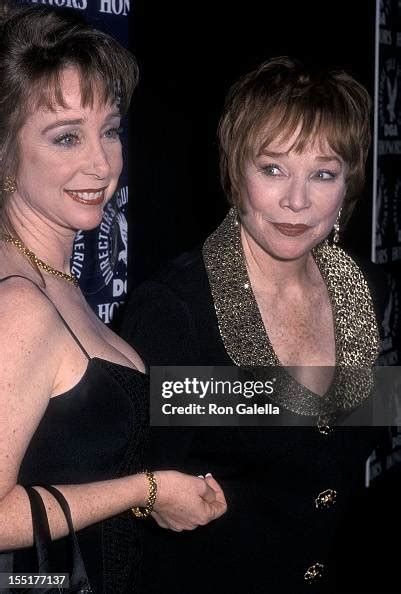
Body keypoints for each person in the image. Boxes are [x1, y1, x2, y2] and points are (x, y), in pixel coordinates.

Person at [122, 57, 393, 593]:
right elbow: (125, 494)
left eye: (323, 173)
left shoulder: (360, 290)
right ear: (234, 172)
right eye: (272, 169)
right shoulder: (178, 311)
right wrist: (152, 500)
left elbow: (347, 454)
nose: (297, 200)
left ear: (348, 185)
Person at [0, 5, 227, 593]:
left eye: (110, 129)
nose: (102, 163)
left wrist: (359, 402)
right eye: (66, 136)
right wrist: (147, 490)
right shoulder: (18, 302)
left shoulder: (52, 274)